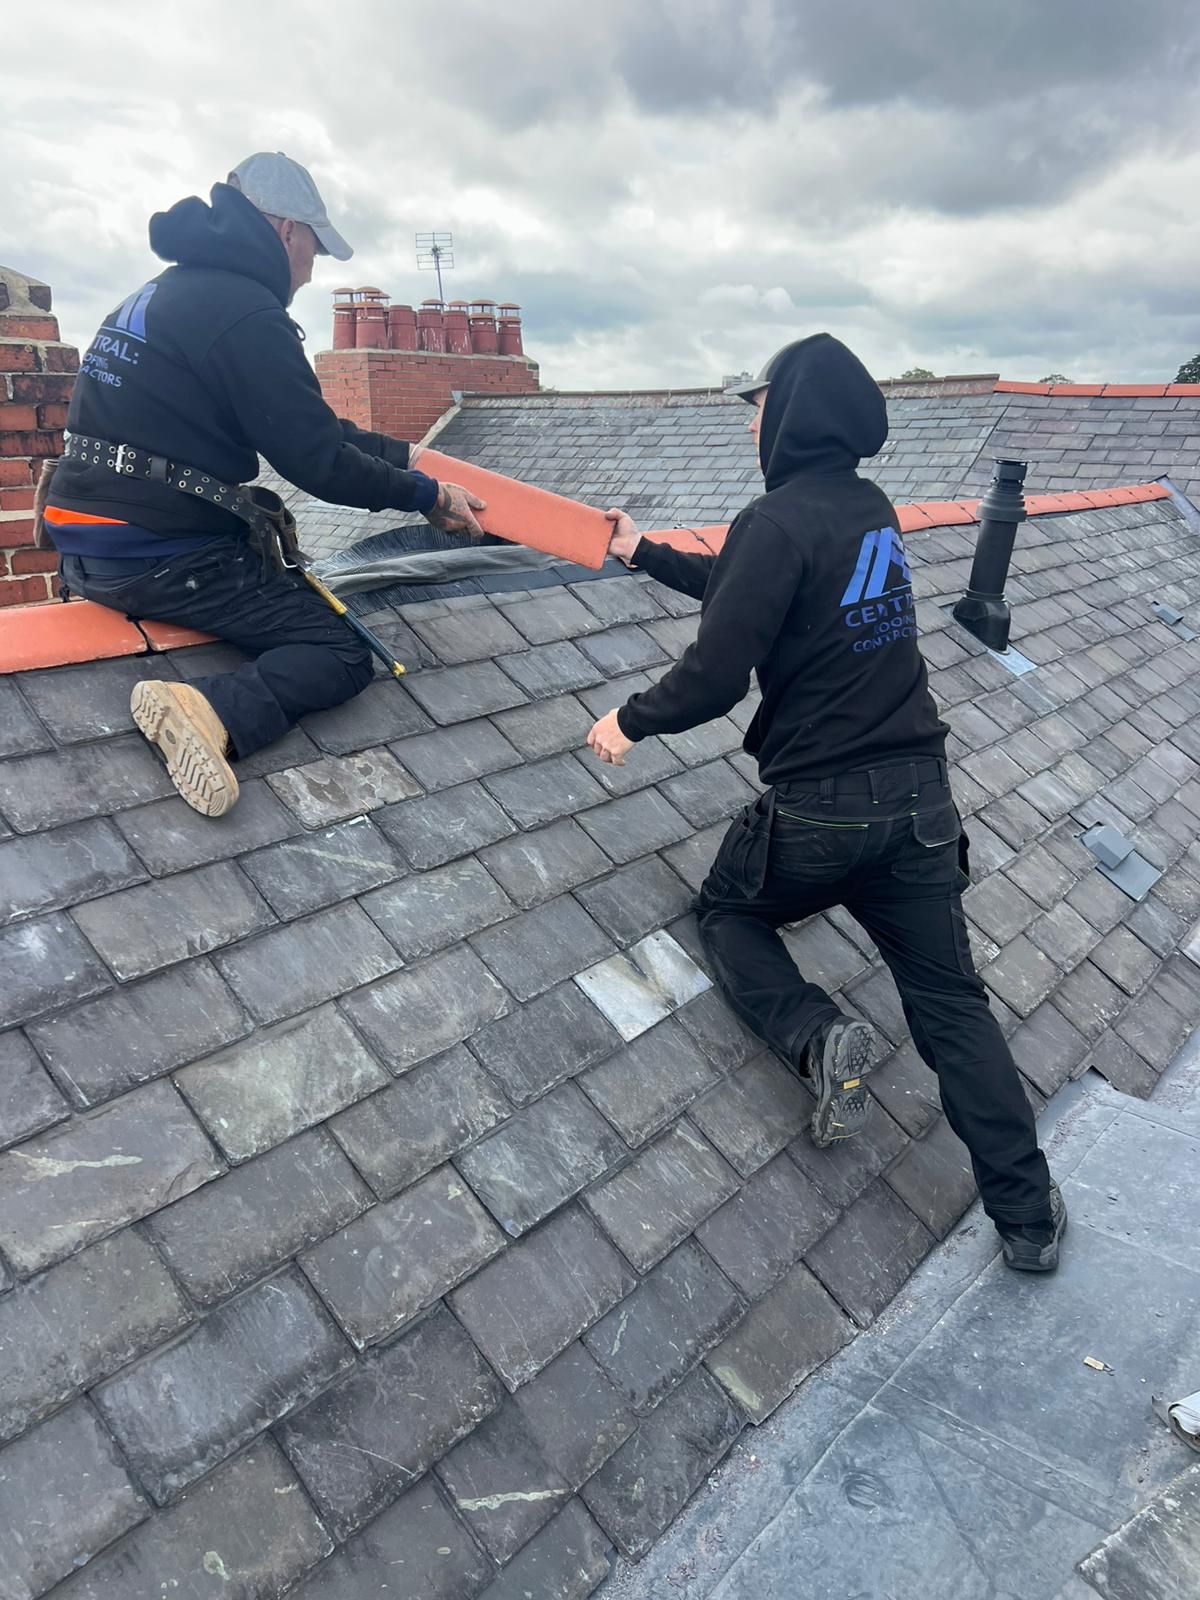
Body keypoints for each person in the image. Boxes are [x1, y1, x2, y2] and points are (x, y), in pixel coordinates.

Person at [586, 334, 1066, 1273]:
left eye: (759, 402)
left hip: (822, 811)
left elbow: (719, 672)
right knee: (950, 1005)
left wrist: (629, 722)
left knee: (728, 911)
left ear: (793, 410)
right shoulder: (866, 508)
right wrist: (642, 549)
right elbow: (749, 590)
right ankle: (1029, 1217)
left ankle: (814, 1035)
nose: (754, 419)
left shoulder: (775, 519)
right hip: (921, 805)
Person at [42, 151, 485, 818]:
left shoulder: (167, 291)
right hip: (157, 553)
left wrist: (406, 455)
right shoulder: (245, 313)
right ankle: (206, 710)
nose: (311, 270)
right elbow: (318, 463)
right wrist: (428, 497)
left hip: (86, 548)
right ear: (285, 232)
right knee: (337, 651)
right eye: (313, 249)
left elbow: (302, 423)